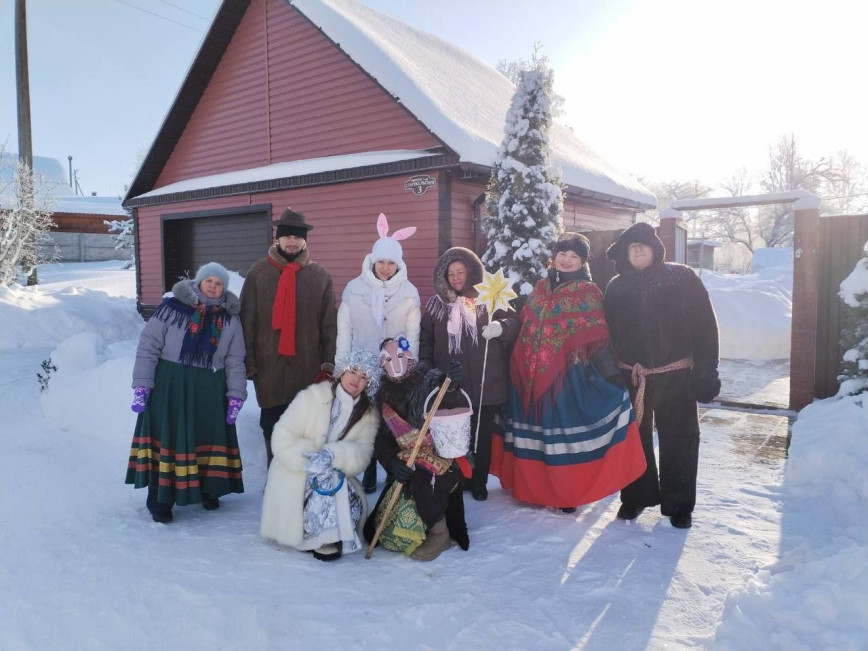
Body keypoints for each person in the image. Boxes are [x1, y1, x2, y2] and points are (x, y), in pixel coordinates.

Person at [491, 232, 646, 512]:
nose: (567, 260)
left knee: (560, 439)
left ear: (582, 262)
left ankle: (566, 494)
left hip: (565, 380)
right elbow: (525, 320)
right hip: (528, 377)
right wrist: (502, 327)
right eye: (563, 254)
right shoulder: (540, 287)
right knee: (534, 437)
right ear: (554, 256)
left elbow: (598, 340)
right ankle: (532, 490)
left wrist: (613, 377)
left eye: (574, 256)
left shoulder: (589, 292)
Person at [603, 222, 721, 529]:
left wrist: (705, 370)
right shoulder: (616, 286)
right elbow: (608, 334)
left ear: (656, 248)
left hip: (676, 374)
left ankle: (679, 504)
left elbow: (705, 327)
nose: (639, 250)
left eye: (643, 244)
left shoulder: (681, 278)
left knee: (680, 438)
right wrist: (611, 373)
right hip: (633, 377)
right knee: (633, 440)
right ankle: (635, 497)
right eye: (632, 246)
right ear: (625, 254)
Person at [126, 262, 246, 523]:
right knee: (168, 439)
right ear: (199, 281)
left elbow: (236, 359)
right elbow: (148, 346)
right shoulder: (171, 309)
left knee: (206, 436)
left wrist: (236, 394)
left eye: (219, 283)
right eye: (209, 281)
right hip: (171, 385)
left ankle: (208, 488)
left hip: (209, 388)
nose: (213, 287)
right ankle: (161, 501)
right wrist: (142, 385)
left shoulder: (230, 318)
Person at [260, 349, 381, 561]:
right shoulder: (312, 396)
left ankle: (328, 537)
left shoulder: (368, 414)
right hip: (296, 470)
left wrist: (333, 456)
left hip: (337, 476)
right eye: (353, 371)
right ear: (342, 371)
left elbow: (363, 453)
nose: (356, 380)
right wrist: (308, 457)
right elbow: (281, 435)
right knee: (321, 483)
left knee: (333, 481)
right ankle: (312, 534)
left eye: (364, 377)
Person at [419, 247, 520, 501]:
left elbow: (514, 322)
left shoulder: (489, 298)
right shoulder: (436, 305)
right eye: (450, 273)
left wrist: (501, 327)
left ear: (471, 271)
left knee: (482, 435)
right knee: (455, 432)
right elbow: (427, 340)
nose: (455, 277)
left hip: (487, 381)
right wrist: (429, 370)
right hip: (452, 384)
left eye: (460, 271)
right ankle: (458, 478)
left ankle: (479, 481)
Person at [240, 208, 337, 468]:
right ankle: (276, 478)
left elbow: (329, 325)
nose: (292, 242)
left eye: (297, 237)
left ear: (305, 240)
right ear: (277, 238)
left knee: (307, 427)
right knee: (272, 426)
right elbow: (246, 320)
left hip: (308, 367)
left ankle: (305, 480)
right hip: (269, 366)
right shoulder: (258, 273)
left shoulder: (320, 276)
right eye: (287, 237)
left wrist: (328, 363)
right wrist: (249, 360)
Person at [363, 337, 470, 561]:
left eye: (400, 356)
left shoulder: (429, 381)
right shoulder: (383, 396)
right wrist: (391, 462)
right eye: (388, 358)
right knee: (373, 529)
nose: (395, 363)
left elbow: (446, 395)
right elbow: (381, 438)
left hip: (440, 456)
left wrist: (453, 382)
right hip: (407, 457)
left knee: (423, 483)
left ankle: (439, 532)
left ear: (409, 355)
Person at [336, 213, 421, 494]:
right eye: (381, 262)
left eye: (391, 262)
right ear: (373, 261)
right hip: (360, 368)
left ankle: (395, 472)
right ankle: (368, 470)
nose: (385, 268)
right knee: (364, 421)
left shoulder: (409, 293)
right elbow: (344, 330)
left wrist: (409, 371)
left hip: (393, 369)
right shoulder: (354, 289)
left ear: (399, 263)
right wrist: (341, 369)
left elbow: (412, 335)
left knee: (390, 422)